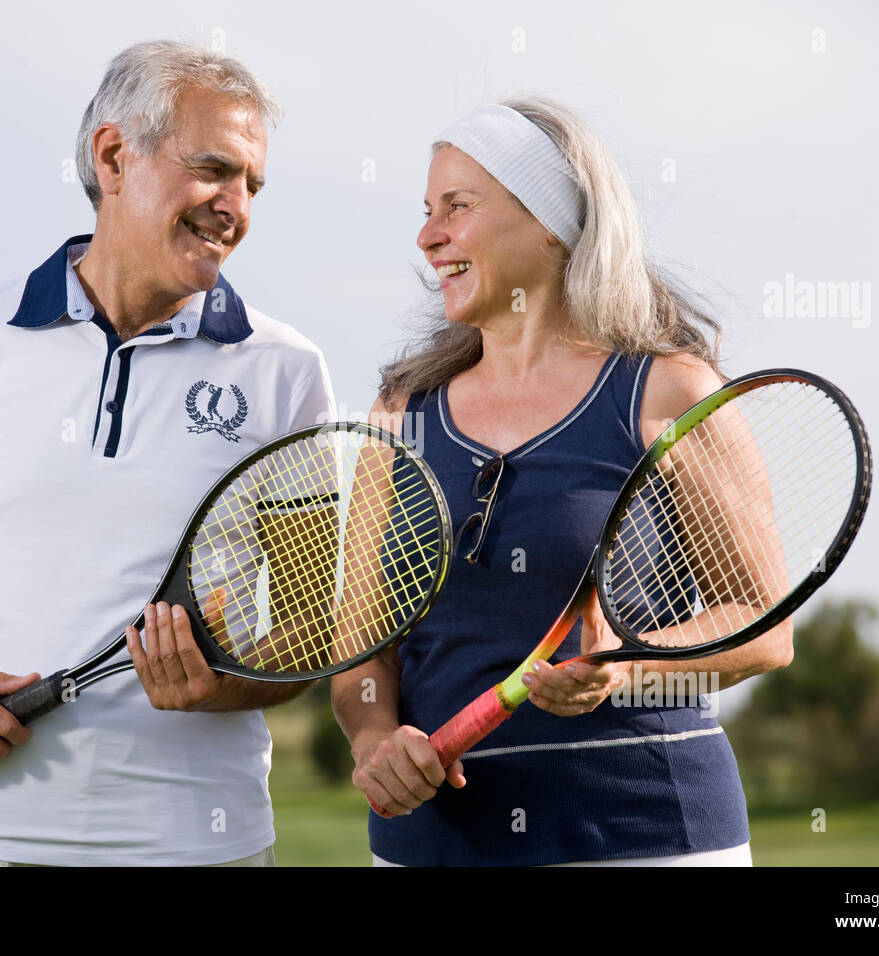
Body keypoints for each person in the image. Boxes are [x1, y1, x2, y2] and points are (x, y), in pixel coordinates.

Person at [0, 41, 335, 866]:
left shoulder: (288, 371)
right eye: (214, 170)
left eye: (252, 185)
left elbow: (313, 630)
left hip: (204, 848)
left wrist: (226, 684)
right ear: (114, 155)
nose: (235, 206)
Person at [331, 98, 794, 866]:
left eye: (458, 206)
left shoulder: (667, 391)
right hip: (432, 845)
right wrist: (377, 740)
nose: (428, 235)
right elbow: (359, 646)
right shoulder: (399, 414)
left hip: (645, 836)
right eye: (425, 211)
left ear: (549, 221)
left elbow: (764, 626)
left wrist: (626, 668)